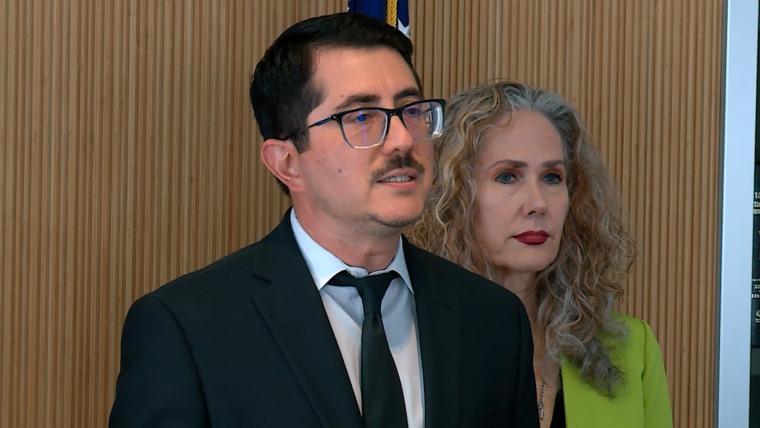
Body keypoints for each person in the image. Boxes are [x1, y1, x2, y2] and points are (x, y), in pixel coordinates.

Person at [109, 13, 539, 428]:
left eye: (411, 110)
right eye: (362, 117)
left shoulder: (493, 319)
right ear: (287, 162)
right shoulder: (189, 328)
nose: (403, 140)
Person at [407, 81, 673, 428]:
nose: (537, 203)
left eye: (551, 177)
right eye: (507, 176)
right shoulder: (406, 344)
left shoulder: (632, 351)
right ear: (452, 196)